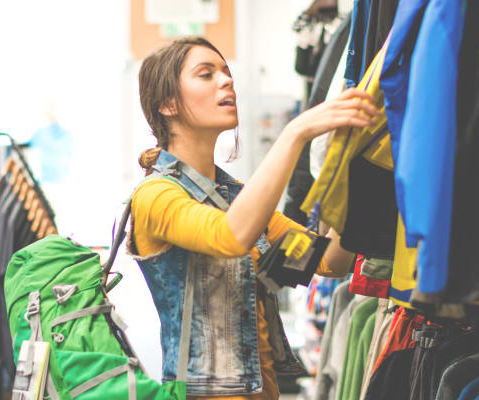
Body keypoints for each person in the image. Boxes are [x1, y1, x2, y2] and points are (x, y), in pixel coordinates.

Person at [129, 36, 378, 399]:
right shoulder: (154, 196)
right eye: (206, 74)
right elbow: (230, 237)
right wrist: (294, 133)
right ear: (167, 104)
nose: (226, 80)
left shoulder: (237, 198)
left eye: (226, 72)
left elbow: (329, 260)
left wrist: (344, 166)